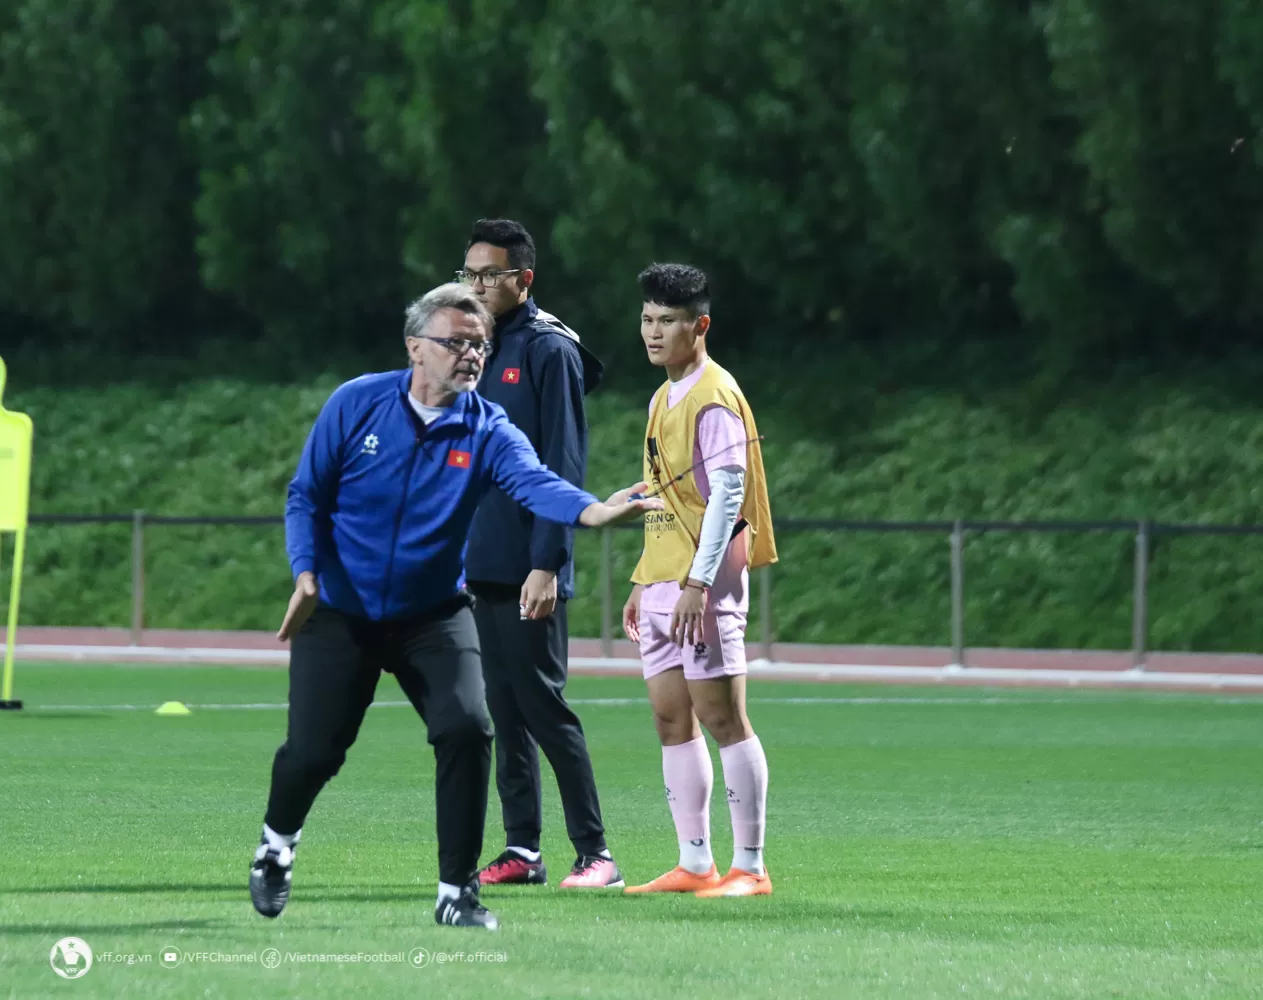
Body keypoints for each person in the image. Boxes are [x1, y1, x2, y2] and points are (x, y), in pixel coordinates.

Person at [248, 283, 660, 930]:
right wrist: (305, 573)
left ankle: (456, 893)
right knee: (314, 752)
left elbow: (534, 483)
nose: (470, 355)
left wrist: (593, 509)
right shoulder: (356, 403)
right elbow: (306, 495)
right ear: (415, 348)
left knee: (469, 727)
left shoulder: (489, 426)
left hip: (433, 614)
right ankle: (276, 845)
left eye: (479, 346)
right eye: (455, 343)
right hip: (342, 610)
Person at [459, 219, 622, 889]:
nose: (477, 285)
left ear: (524, 279)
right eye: (469, 273)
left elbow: (563, 460)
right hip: (480, 562)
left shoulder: (549, 350)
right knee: (501, 711)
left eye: (491, 274)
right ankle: (522, 849)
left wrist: (548, 561)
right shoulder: (469, 346)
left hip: (531, 562)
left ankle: (597, 855)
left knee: (543, 706)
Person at [620, 263, 778, 898]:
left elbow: (726, 498)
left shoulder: (714, 397)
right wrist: (645, 576)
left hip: (702, 588)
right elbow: (666, 494)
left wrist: (696, 581)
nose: (653, 333)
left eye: (668, 321)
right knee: (669, 718)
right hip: (663, 581)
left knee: (722, 716)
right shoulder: (663, 397)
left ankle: (751, 866)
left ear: (700, 325)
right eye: (647, 319)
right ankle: (694, 862)